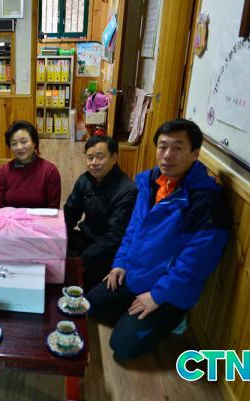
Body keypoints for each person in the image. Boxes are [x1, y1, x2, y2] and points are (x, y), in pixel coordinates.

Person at [87, 118, 230, 359]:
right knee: (90, 304)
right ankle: (134, 312)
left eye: (178, 148)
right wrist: (120, 263)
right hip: (135, 274)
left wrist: (157, 295)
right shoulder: (150, 182)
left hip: (167, 291)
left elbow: (195, 263)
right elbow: (133, 229)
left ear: (195, 153)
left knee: (122, 347)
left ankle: (172, 318)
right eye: (162, 146)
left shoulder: (206, 200)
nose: (167, 155)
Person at [64, 135, 137, 290]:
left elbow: (115, 236)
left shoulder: (127, 190)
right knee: (56, 249)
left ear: (114, 158)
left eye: (100, 157)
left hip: (108, 248)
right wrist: (59, 236)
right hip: (86, 237)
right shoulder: (85, 179)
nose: (94, 163)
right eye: (90, 158)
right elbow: (70, 211)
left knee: (84, 282)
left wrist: (81, 259)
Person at [0, 120, 61, 208]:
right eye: (14, 144)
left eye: (24, 142)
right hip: (8, 218)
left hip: (41, 217)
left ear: (34, 142)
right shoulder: (3, 172)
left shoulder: (50, 171)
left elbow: (53, 209)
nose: (19, 147)